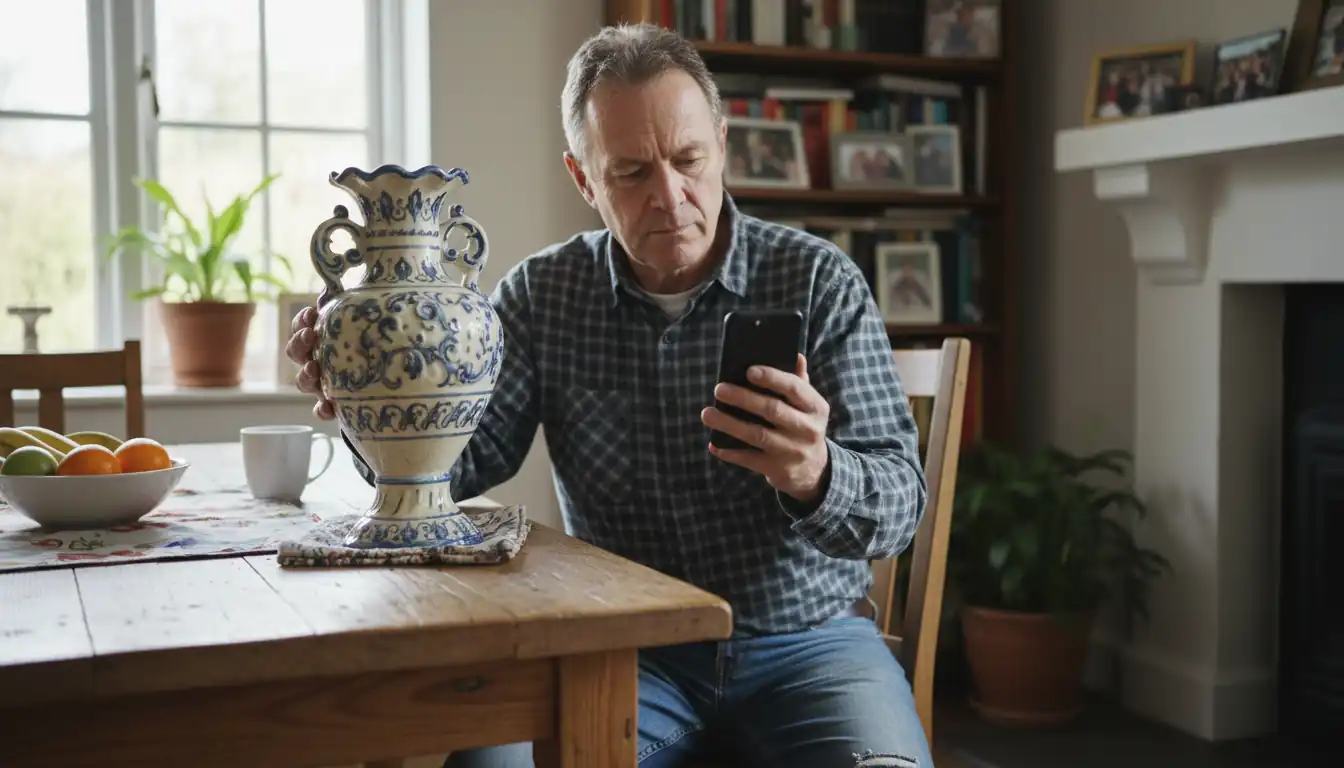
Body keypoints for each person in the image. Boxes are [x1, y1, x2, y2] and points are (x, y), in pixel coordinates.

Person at [286, 23, 930, 768]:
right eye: (630, 172)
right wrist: (375, 403)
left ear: (722, 145)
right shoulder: (542, 295)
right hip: (623, 651)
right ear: (583, 178)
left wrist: (815, 473)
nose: (670, 196)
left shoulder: (818, 281)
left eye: (690, 159)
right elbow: (457, 469)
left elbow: (899, 506)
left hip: (810, 646)